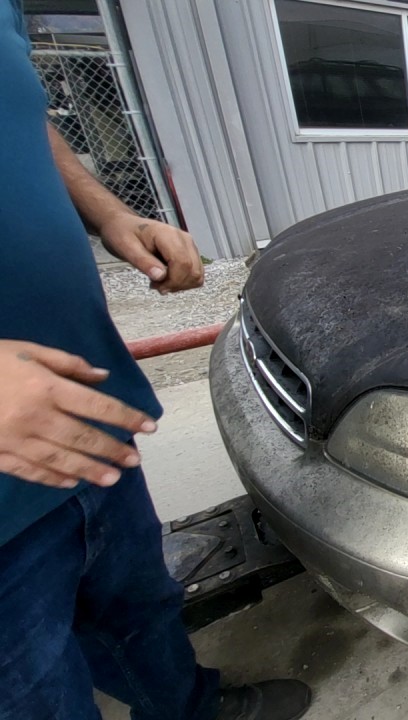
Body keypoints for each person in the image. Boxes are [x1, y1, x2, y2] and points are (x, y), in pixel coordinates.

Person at [0, 2, 311, 718]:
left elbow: (23, 121)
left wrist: (109, 214)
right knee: (36, 692)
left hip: (87, 419)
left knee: (139, 608)